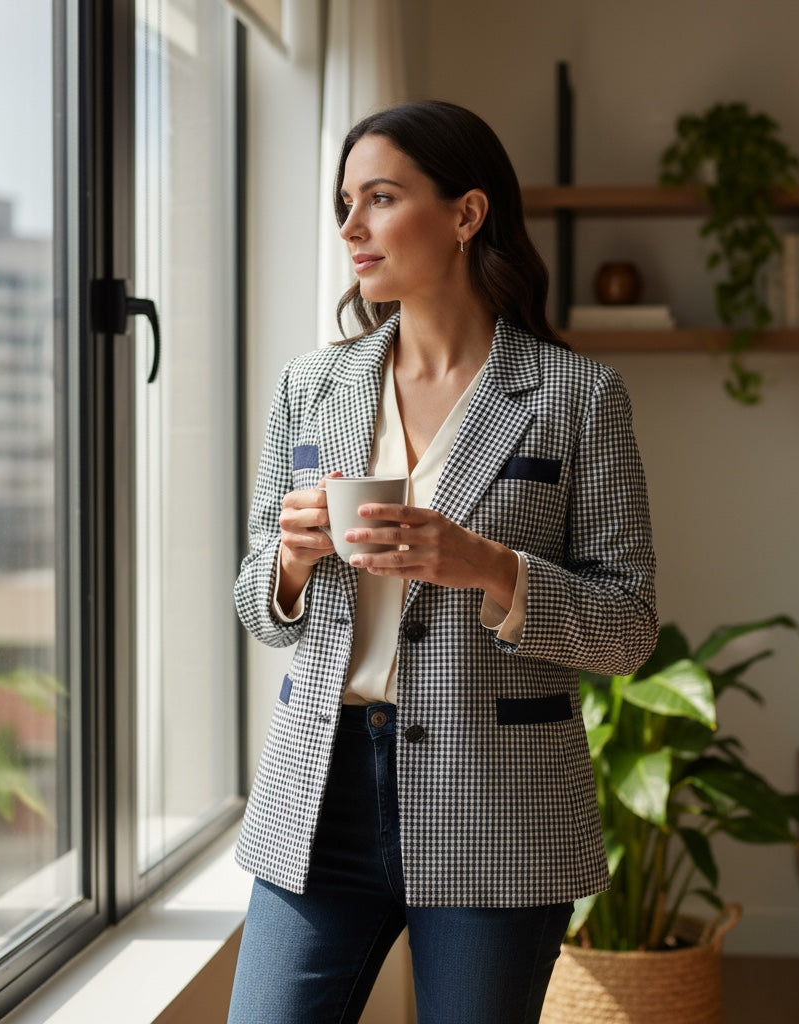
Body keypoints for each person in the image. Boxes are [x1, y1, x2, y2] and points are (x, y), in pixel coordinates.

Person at [227, 100, 658, 1024]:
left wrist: (491, 567)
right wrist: (291, 563)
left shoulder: (578, 398)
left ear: (466, 214)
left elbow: (628, 628)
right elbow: (256, 604)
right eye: (345, 202)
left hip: (498, 801)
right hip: (320, 790)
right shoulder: (312, 386)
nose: (350, 227)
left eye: (379, 198)